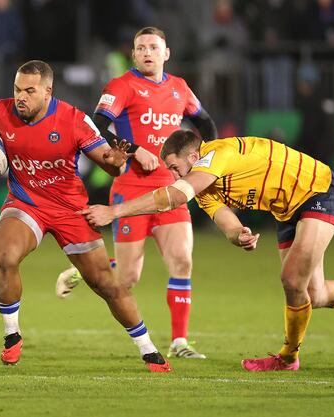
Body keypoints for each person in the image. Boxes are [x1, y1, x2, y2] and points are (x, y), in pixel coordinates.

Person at [80, 130, 334, 372]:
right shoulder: (206, 190)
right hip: (287, 210)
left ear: (192, 157)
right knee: (311, 293)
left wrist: (115, 212)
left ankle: (288, 358)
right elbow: (224, 219)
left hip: (318, 189)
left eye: (175, 168)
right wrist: (238, 234)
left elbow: (174, 197)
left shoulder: (216, 155)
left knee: (291, 280)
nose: (174, 175)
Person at [0, 60, 172, 372]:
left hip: (70, 210)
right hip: (25, 202)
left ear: (48, 91)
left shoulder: (74, 119)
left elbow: (110, 164)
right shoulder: (1, 112)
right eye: (17, 89)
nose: (21, 97)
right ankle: (11, 335)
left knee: (105, 284)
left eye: (29, 91)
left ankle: (148, 349)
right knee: (6, 257)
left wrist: (116, 161)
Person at [56, 26, 217, 359]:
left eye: (153, 47)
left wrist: (205, 156)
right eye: (141, 47)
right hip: (131, 190)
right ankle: (82, 270)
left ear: (166, 53)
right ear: (133, 54)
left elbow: (205, 123)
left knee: (182, 261)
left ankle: (180, 342)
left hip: (172, 189)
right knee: (128, 277)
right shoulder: (122, 86)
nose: (147, 52)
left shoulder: (179, 88)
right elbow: (95, 125)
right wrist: (134, 148)